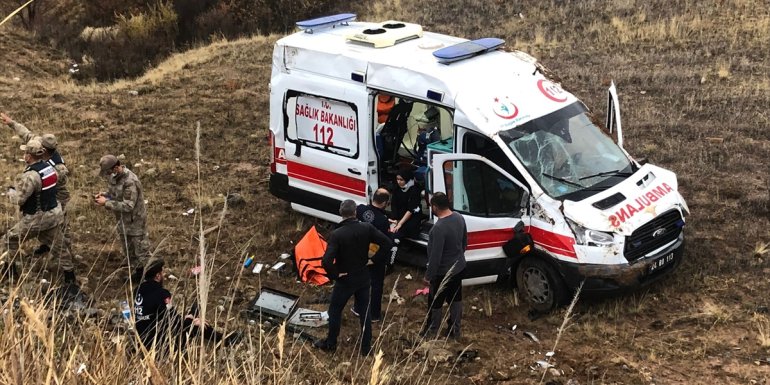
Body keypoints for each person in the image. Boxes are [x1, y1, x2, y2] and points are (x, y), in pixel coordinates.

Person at [314, 200, 392, 356]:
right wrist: (373, 260)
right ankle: (366, 348)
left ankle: (331, 343)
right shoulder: (366, 228)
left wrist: (335, 275)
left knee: (335, 310)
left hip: (346, 279)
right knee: (365, 313)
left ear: (340, 213)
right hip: (363, 276)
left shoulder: (338, 234)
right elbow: (387, 243)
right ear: (355, 212)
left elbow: (326, 261)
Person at [1, 139, 75, 283]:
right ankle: (70, 276)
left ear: (29, 156)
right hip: (53, 214)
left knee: (10, 238)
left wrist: (11, 192)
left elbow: (20, 200)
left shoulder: (31, 175)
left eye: (25, 152)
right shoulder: (49, 168)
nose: (24, 155)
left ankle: (9, 271)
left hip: (36, 218)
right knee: (59, 246)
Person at [2, 113, 73, 258]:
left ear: (45, 150)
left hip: (56, 197)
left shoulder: (58, 167)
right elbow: (27, 134)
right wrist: (11, 122)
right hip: (40, 193)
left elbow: (54, 186)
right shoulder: (40, 148)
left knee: (58, 228)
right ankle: (46, 246)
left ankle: (64, 252)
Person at [134, 258, 240, 352]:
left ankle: (195, 319)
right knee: (199, 324)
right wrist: (192, 322)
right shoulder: (162, 293)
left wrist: (186, 318)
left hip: (143, 340)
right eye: (162, 273)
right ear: (157, 276)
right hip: (161, 344)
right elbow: (174, 323)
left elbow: (159, 315)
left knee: (194, 311)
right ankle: (226, 341)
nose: (164, 275)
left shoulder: (137, 291)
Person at [94, 154, 150, 284]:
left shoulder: (130, 181)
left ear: (116, 167)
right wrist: (105, 195)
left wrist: (106, 203)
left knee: (141, 252)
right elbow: (116, 194)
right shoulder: (115, 177)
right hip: (123, 222)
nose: (107, 175)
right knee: (129, 252)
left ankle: (149, 279)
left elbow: (128, 205)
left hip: (135, 223)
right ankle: (138, 274)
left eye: (108, 172)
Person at [421, 192, 467, 339]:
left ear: (435, 207)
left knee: (435, 302)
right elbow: (464, 241)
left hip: (442, 272)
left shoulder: (438, 228)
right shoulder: (459, 217)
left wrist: (429, 276)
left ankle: (432, 331)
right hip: (458, 267)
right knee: (456, 299)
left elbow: (435, 257)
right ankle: (455, 331)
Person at [353, 188, 396, 322]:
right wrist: (391, 230)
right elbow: (385, 241)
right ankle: (374, 315)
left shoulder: (360, 209)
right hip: (373, 255)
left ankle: (357, 308)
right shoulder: (382, 221)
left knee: (359, 281)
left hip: (357, 253)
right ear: (385, 203)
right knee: (376, 285)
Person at [390, 169, 423, 240]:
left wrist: (400, 223)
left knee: (396, 233)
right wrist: (395, 220)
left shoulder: (414, 190)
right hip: (399, 216)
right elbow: (394, 205)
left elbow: (411, 210)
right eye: (397, 179)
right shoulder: (396, 189)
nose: (398, 182)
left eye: (401, 180)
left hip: (411, 217)